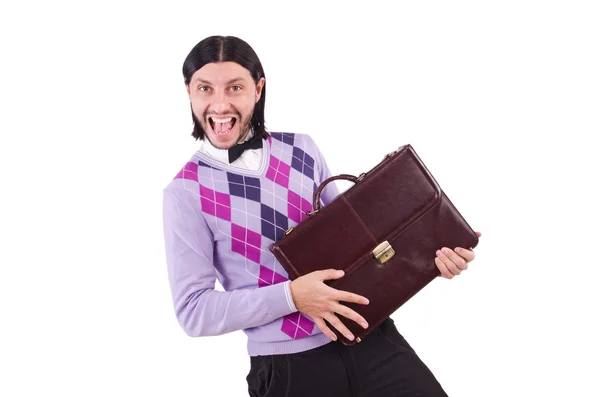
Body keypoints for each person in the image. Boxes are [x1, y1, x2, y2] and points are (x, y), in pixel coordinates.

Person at [162, 35, 482, 397]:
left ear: (258, 89)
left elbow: (359, 246)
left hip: (370, 337)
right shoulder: (184, 193)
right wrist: (292, 296)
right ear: (189, 91)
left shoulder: (302, 149)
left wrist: (427, 257)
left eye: (234, 87)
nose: (220, 104)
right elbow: (193, 310)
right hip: (290, 370)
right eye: (205, 88)